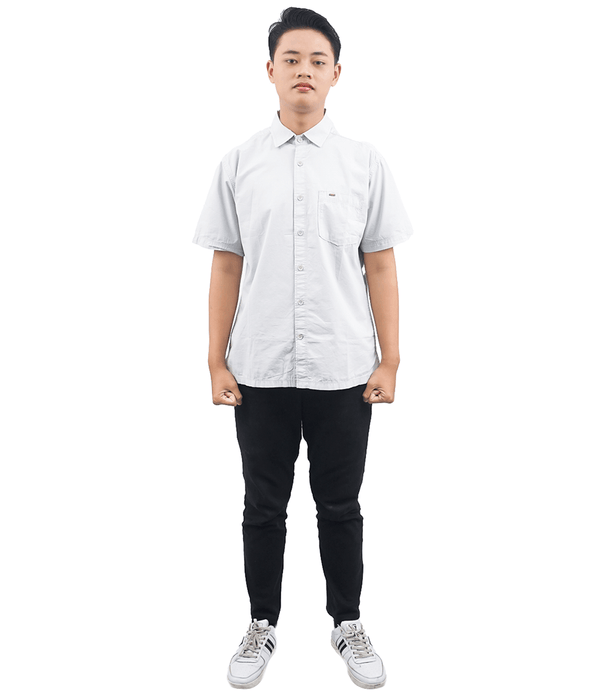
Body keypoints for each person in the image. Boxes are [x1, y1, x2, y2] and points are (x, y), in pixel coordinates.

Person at [193, 7, 413, 690]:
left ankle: (348, 622)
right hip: (259, 370)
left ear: (336, 73)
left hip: (343, 370)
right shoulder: (238, 164)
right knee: (263, 506)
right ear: (270, 70)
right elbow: (226, 263)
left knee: (340, 506)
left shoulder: (364, 162)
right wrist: (215, 359)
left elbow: (380, 263)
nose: (304, 71)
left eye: (318, 60)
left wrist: (390, 359)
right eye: (291, 59)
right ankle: (261, 623)